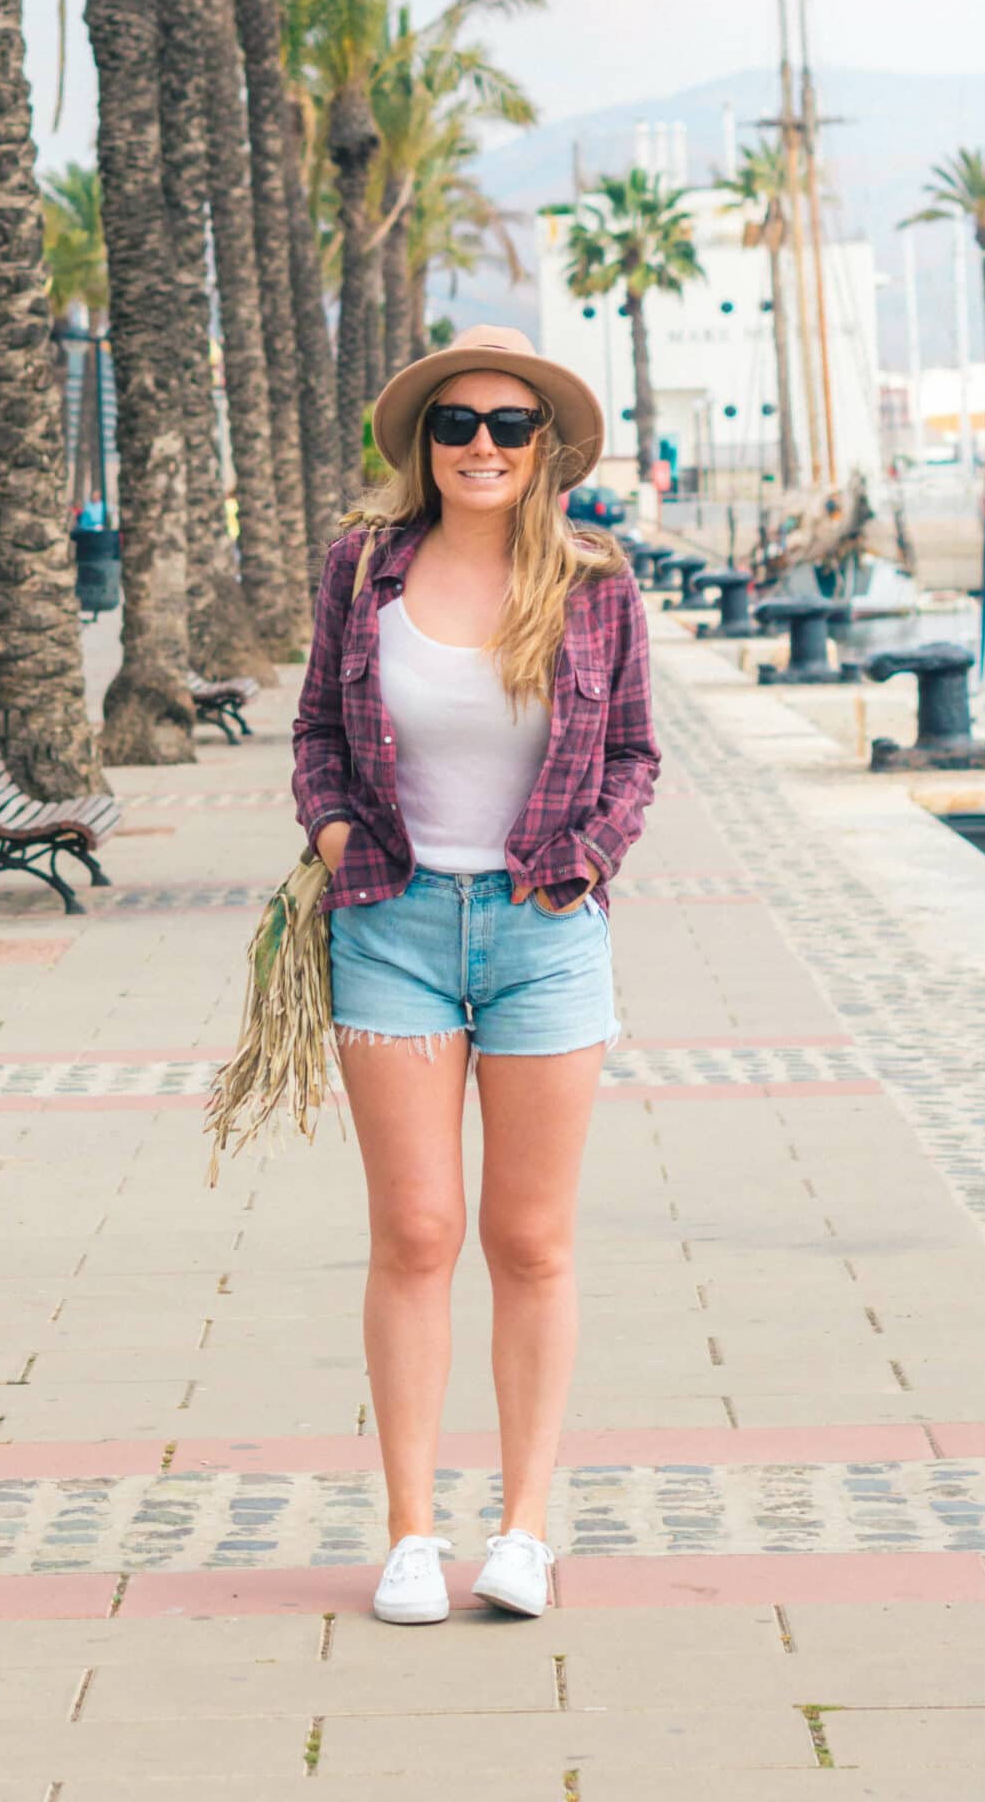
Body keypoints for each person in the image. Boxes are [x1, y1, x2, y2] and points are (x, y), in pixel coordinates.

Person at [292, 324, 659, 1626]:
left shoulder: (596, 581)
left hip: (543, 933)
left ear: (544, 445)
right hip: (390, 921)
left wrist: (587, 858)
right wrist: (338, 838)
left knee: (530, 1241)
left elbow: (634, 755)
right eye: (459, 425)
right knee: (416, 1233)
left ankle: (524, 1530)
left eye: (511, 425)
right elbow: (318, 735)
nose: (485, 446)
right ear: (424, 444)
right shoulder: (361, 571)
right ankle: (407, 1535)